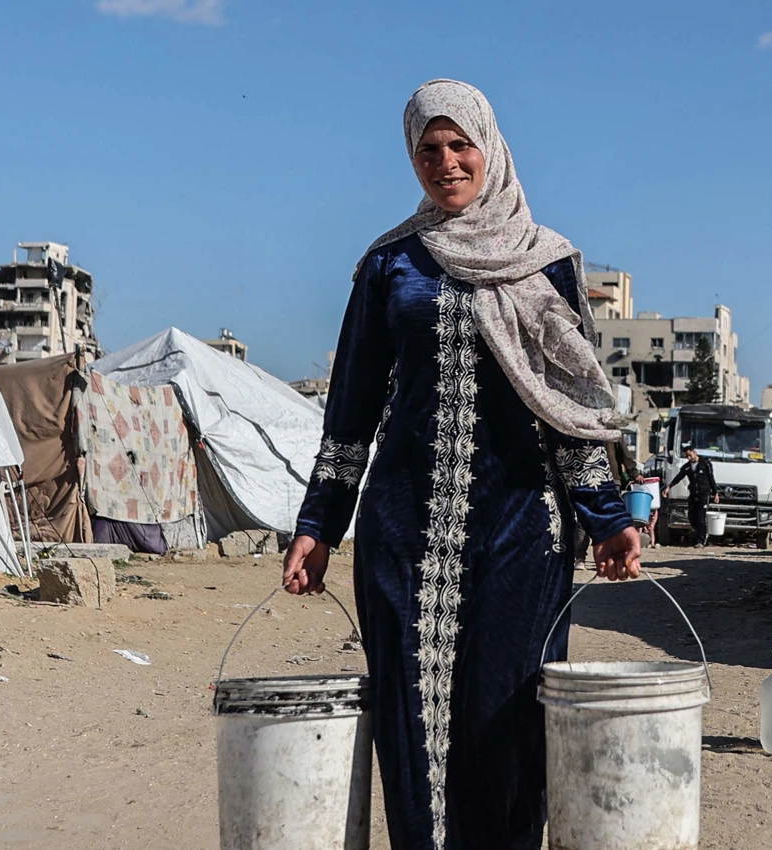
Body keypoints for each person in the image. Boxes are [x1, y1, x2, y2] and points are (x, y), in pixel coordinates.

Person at [281, 79, 641, 850]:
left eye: (459, 144)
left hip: (523, 529)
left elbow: (569, 404)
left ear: (490, 148)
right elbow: (350, 412)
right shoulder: (389, 265)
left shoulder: (546, 262)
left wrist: (606, 516)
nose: (445, 162)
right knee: (413, 729)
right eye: (428, 149)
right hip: (403, 530)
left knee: (509, 723)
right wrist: (319, 524)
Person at [667, 445, 716, 547]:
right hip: (693, 494)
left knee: (701, 517)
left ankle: (701, 540)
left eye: (690, 455)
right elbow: (679, 477)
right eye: (687, 456)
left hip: (704, 493)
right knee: (692, 517)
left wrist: (715, 493)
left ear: (694, 452)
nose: (689, 458)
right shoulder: (687, 467)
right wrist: (669, 487)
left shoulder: (705, 464)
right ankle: (700, 533)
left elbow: (711, 478)